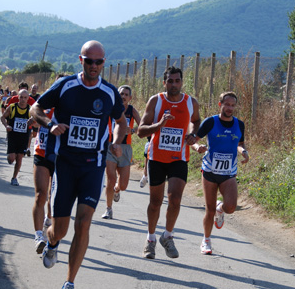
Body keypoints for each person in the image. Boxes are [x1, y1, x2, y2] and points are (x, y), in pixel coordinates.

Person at [30, 40, 127, 289]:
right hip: (65, 165)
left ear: (103, 63)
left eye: (99, 62)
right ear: (80, 60)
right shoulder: (65, 86)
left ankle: (69, 284)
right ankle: (51, 243)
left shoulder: (109, 93)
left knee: (84, 222)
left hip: (93, 166)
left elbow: (121, 121)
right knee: (59, 229)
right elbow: (35, 108)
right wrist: (50, 124)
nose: (94, 66)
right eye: (89, 61)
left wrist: (117, 141)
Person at [138, 66, 201, 259]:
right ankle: (150, 239)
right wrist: (159, 125)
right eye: (170, 81)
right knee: (155, 202)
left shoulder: (191, 102)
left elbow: (197, 121)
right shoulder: (156, 101)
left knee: (175, 199)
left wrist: (194, 135)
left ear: (182, 82)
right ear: (164, 82)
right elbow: (141, 131)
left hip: (179, 158)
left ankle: (167, 236)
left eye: (177, 81)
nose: (174, 84)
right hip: (157, 158)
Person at [192, 91, 249, 255]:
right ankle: (206, 241)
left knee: (231, 207)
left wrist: (243, 151)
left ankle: (221, 208)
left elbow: (240, 143)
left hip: (229, 171)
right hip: (210, 170)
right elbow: (194, 141)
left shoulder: (239, 124)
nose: (230, 108)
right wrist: (198, 148)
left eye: (233, 105)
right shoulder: (210, 122)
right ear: (220, 105)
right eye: (227, 104)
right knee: (209, 210)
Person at [102, 85, 141, 219]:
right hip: (110, 146)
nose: (123, 96)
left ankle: (117, 190)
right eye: (121, 94)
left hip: (126, 148)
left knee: (123, 185)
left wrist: (133, 130)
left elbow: (142, 126)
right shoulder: (111, 108)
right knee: (111, 178)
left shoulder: (131, 110)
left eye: (126, 94)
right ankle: (108, 209)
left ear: (130, 98)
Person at [32, 108, 55, 254]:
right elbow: (34, 118)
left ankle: (48, 218)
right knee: (41, 194)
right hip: (41, 153)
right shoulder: (45, 109)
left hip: (60, 157)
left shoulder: (71, 108)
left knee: (53, 197)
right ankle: (39, 236)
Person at [0, 89, 34, 185]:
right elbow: (2, 117)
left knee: (19, 158)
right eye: (21, 97)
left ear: (28, 98)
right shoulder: (12, 107)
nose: (23, 99)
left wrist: (33, 121)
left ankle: (14, 178)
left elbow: (35, 123)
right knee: (12, 158)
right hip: (12, 136)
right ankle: (10, 158)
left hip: (24, 137)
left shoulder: (30, 109)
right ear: (18, 97)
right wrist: (7, 125)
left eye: (25, 98)